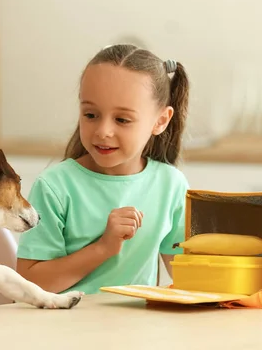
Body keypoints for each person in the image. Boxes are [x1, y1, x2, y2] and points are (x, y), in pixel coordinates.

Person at [15, 44, 191, 295]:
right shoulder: (55, 187)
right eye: (90, 114)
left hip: (138, 329)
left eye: (122, 119)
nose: (103, 131)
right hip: (65, 330)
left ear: (160, 121)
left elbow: (188, 277)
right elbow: (30, 285)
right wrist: (103, 248)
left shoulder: (171, 185)